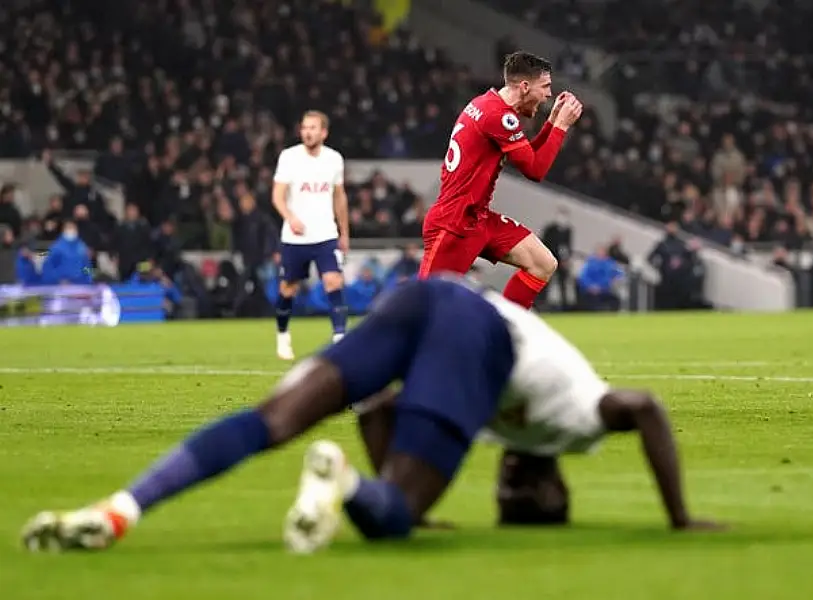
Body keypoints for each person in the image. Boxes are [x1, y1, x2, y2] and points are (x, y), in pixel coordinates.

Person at [21, 275, 719, 555]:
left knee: (274, 417)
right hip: (474, 329)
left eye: (508, 498)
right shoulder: (574, 420)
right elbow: (646, 406)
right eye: (527, 493)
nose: (508, 491)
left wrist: (394, 477)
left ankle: (121, 508)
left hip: (420, 299)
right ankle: (349, 487)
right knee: (396, 524)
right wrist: (680, 519)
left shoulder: (521, 420)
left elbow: (379, 405)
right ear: (555, 481)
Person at [419, 51, 583, 310]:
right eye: (546, 87)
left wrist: (551, 123)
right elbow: (535, 170)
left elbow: (527, 157)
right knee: (425, 310)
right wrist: (561, 127)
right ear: (525, 86)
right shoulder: (499, 116)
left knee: (543, 263)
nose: (549, 95)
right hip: (455, 224)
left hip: (478, 218)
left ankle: (505, 333)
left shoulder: (487, 104)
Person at [271, 110, 350, 360]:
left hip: (325, 234)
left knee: (333, 281)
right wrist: (290, 217)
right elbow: (277, 195)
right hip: (295, 237)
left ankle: (339, 338)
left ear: (324, 132)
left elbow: (339, 197)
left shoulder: (334, 159)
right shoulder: (289, 157)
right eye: (305, 127)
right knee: (288, 288)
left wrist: (344, 231)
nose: (308, 132)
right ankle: (283, 335)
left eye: (313, 128)